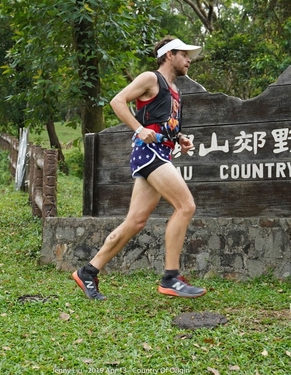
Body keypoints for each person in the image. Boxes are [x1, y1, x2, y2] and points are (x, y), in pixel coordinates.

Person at [72, 37, 206, 300]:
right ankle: (171, 278)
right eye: (184, 54)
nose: (189, 59)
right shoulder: (150, 78)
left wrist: (180, 139)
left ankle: (88, 271)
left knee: (135, 222)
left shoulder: (175, 91)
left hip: (161, 151)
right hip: (149, 154)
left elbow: (164, 124)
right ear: (169, 55)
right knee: (186, 206)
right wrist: (139, 129)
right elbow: (117, 101)